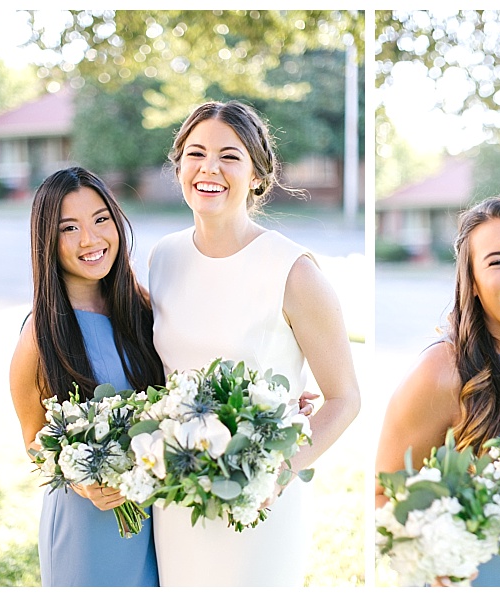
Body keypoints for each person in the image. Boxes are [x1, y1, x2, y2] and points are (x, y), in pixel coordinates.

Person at [148, 99, 361, 586]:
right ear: (178, 165)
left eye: (230, 155)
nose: (210, 168)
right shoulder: (163, 257)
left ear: (258, 175)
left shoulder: (294, 271)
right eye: (196, 153)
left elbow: (346, 398)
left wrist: (276, 473)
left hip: (257, 500)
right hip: (176, 494)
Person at [375, 196, 500, 587]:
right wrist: (430, 561)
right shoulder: (444, 371)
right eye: (498, 262)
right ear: (474, 284)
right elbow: (382, 492)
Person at [9, 167, 165, 586]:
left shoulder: (142, 307)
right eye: (69, 228)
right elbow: (34, 439)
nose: (90, 240)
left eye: (100, 219)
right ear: (47, 241)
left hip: (160, 523)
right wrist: (82, 482)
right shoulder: (40, 337)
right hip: (88, 531)